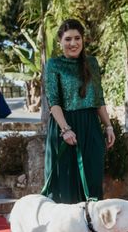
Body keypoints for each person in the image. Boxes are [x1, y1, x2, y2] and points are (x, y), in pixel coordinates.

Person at [43, 18, 115, 204]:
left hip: (90, 126)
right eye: (68, 39)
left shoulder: (92, 63)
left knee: (92, 180)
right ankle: (65, 230)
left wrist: (108, 126)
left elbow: (98, 98)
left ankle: (91, 229)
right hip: (64, 126)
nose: (73, 43)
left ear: (83, 40)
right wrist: (65, 129)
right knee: (65, 184)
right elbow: (54, 102)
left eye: (77, 38)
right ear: (60, 42)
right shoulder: (53, 64)